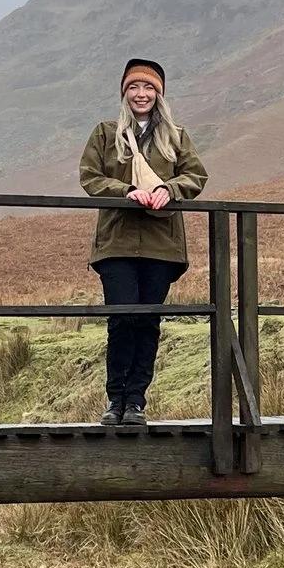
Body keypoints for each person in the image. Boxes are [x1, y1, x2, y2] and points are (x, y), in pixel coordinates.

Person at [78, 57, 208, 424]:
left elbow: (196, 176)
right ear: (124, 92)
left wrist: (170, 189)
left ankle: (136, 402)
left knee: (148, 321)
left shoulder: (177, 136)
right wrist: (126, 191)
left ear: (159, 94)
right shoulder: (105, 134)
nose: (141, 94)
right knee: (121, 319)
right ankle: (114, 401)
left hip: (160, 245)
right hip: (116, 243)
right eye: (134, 87)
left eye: (148, 87)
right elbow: (89, 177)